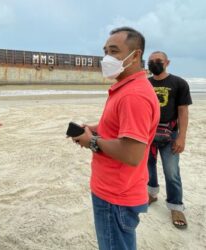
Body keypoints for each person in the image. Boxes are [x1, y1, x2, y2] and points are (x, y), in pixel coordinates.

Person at [69, 27, 160, 250]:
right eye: (105, 51)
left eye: (114, 51)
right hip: (119, 189)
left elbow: (131, 154)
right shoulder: (128, 88)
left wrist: (91, 141)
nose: (107, 58)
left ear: (136, 55)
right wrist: (94, 129)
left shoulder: (133, 95)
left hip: (116, 195)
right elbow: (122, 128)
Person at [147, 51, 192, 229]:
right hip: (148, 133)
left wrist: (181, 136)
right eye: (151, 61)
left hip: (171, 134)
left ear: (167, 62)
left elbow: (183, 111)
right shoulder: (144, 83)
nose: (154, 63)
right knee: (148, 166)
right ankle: (151, 193)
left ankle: (176, 206)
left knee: (171, 171)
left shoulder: (179, 83)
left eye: (158, 61)